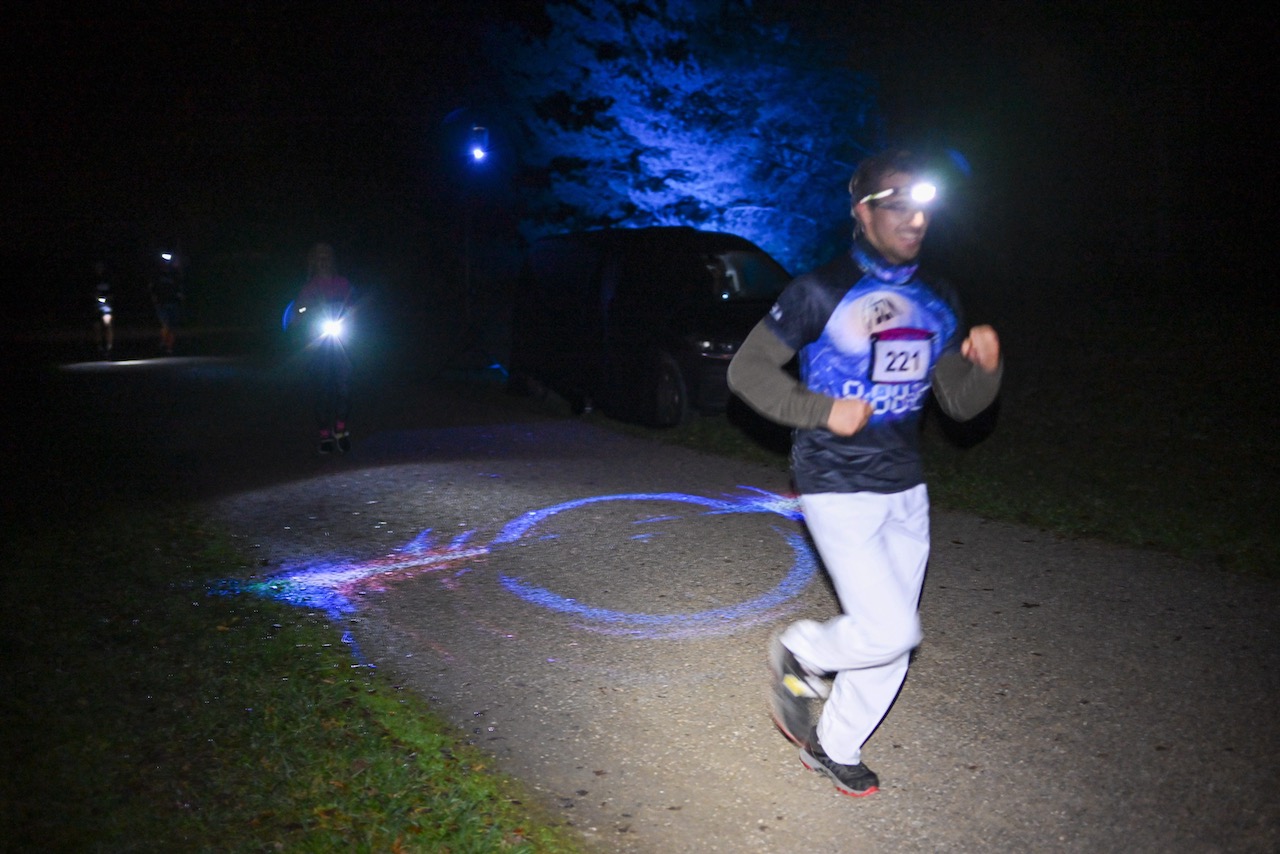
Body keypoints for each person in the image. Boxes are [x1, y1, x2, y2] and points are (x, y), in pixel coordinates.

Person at [727, 149, 1003, 797]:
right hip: (834, 480)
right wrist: (821, 410)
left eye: (923, 205)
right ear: (863, 212)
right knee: (890, 627)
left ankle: (834, 745)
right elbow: (747, 372)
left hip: (904, 485)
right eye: (897, 203)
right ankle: (801, 650)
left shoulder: (938, 300)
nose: (914, 218)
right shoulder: (818, 290)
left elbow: (960, 404)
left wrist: (986, 369)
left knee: (890, 644)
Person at [290, 243, 356, 454]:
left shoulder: (343, 283)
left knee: (344, 388)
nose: (324, 259)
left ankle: (341, 430)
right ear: (313, 261)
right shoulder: (309, 288)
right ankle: (325, 436)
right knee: (323, 390)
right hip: (319, 344)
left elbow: (354, 306)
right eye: (319, 256)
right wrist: (304, 314)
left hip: (342, 341)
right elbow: (298, 312)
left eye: (327, 255)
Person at [149, 251, 185, 354]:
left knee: (172, 326)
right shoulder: (157, 274)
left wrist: (180, 296)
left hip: (173, 302)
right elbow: (152, 288)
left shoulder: (174, 273)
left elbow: (179, 287)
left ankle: (169, 347)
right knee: (166, 324)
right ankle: (164, 342)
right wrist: (155, 299)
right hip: (162, 303)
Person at [92, 261, 114, 358]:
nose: (99, 269)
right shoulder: (93, 280)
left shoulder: (108, 279)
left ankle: (109, 347)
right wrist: (96, 298)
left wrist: (108, 298)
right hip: (96, 306)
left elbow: (113, 293)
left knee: (108, 325)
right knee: (97, 327)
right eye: (97, 267)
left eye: (101, 267)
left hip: (107, 306)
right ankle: (99, 348)